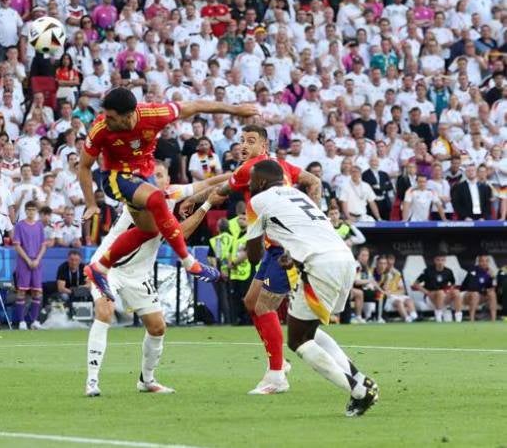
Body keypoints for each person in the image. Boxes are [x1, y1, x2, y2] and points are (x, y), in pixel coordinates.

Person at [80, 87, 257, 300]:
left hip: (142, 178)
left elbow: (196, 105)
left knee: (150, 230)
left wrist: (234, 110)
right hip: (115, 177)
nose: (105, 119)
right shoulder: (100, 128)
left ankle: (100, 267)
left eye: (111, 117)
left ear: (128, 115)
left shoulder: (154, 114)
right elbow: (84, 166)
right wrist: (91, 204)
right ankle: (189, 262)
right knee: (157, 198)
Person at [185, 124, 322, 395]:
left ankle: (276, 375)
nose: (244, 146)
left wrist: (192, 201)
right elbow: (314, 182)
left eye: (250, 141)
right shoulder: (283, 165)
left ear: (264, 146)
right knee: (251, 302)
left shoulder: (250, 168)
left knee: (262, 307)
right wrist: (314, 214)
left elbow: (219, 190)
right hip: (275, 245)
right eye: (241, 141)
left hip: (284, 248)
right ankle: (278, 364)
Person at [244, 159, 379, 417]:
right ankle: (360, 379)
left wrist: (263, 248)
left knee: (297, 340)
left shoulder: (258, 201)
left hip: (320, 264)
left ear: (260, 181)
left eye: (251, 179)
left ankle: (359, 391)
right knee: (309, 329)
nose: (249, 184)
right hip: (343, 258)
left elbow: (252, 255)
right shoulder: (297, 194)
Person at [86, 161, 229, 397]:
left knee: (157, 327)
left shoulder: (170, 194)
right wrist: (205, 206)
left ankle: (147, 380)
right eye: (151, 175)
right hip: (108, 268)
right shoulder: (139, 200)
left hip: (138, 274)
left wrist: (240, 173)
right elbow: (178, 235)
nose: (155, 179)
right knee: (105, 310)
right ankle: (92, 381)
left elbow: (208, 182)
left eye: (160, 175)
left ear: (167, 179)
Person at [13, 200, 47, 330]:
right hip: (24, 262)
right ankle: (21, 321)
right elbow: (17, 245)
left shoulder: (39, 226)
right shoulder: (20, 226)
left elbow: (43, 245)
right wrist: (28, 260)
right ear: (25, 211)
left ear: (36, 211)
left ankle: (34, 320)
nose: (31, 212)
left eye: (33, 209)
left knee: (37, 292)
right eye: (29, 209)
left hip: (37, 262)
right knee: (21, 291)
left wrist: (37, 259)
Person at [412, 255, 463, 322]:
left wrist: (449, 290)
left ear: (445, 261)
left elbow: (453, 284)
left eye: (442, 260)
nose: (440, 262)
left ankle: (458, 319)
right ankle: (438, 317)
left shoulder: (448, 271)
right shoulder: (428, 270)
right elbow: (415, 284)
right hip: (430, 297)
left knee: (456, 292)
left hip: (444, 297)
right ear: (434, 261)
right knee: (440, 292)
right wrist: (427, 292)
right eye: (438, 260)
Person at [374, 255, 418, 323]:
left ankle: (414, 317)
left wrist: (394, 293)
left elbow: (403, 290)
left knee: (409, 300)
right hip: (387, 297)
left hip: (395, 295)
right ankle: (407, 319)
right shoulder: (380, 273)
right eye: (388, 264)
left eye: (392, 264)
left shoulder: (397, 273)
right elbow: (382, 289)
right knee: (399, 302)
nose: (389, 266)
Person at [462, 255, 498, 321]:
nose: (484, 263)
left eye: (486, 261)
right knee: (475, 294)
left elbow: (491, 287)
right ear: (478, 262)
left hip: (480, 295)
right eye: (482, 261)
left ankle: (493, 320)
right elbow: (471, 286)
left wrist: (492, 277)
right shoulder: (473, 269)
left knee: (492, 294)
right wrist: (484, 290)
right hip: (467, 295)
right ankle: (471, 320)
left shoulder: (489, 272)